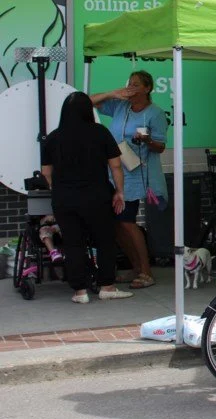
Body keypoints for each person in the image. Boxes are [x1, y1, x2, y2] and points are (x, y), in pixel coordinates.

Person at [40, 92, 132, 304]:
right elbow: (116, 165)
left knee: (73, 243)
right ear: (87, 111)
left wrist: (58, 187)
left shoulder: (53, 137)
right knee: (105, 240)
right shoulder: (100, 132)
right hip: (97, 196)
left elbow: (46, 172)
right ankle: (107, 286)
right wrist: (119, 191)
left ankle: (80, 291)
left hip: (64, 199)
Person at [91, 70, 167, 289]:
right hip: (115, 171)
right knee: (116, 223)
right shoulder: (120, 107)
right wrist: (113, 93)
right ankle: (136, 267)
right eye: (128, 84)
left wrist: (147, 140)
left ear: (147, 88)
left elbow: (160, 147)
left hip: (136, 173)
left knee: (126, 220)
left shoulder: (155, 113)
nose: (130, 88)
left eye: (135, 85)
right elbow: (87, 101)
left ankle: (146, 270)